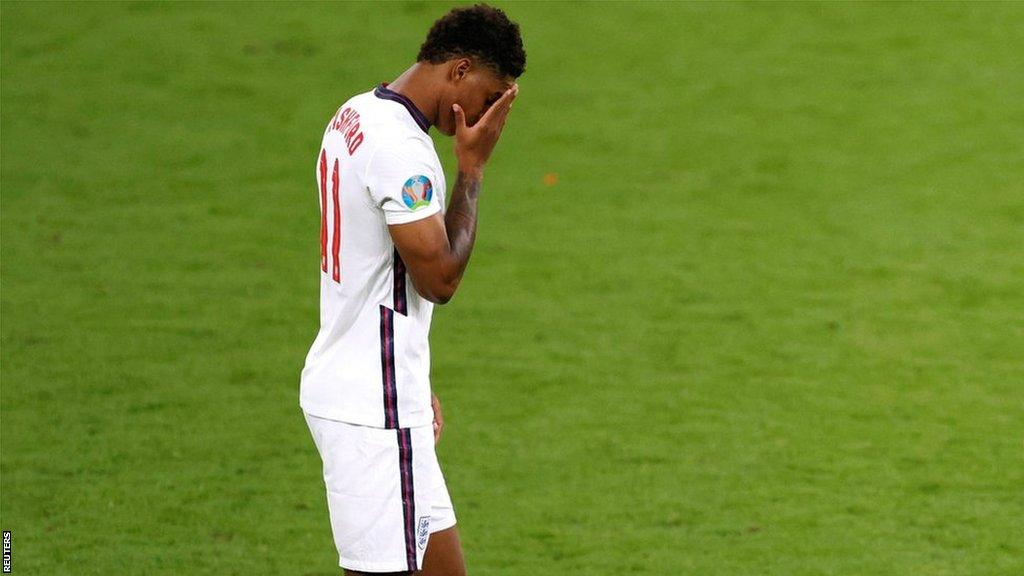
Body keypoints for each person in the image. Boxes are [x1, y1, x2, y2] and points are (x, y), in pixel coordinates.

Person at [299, 4, 525, 575]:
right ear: (461, 69)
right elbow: (439, 279)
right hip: (373, 410)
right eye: (491, 94)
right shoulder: (401, 150)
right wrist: (472, 170)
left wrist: (413, 378)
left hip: (378, 390)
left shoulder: (356, 113)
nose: (491, 114)